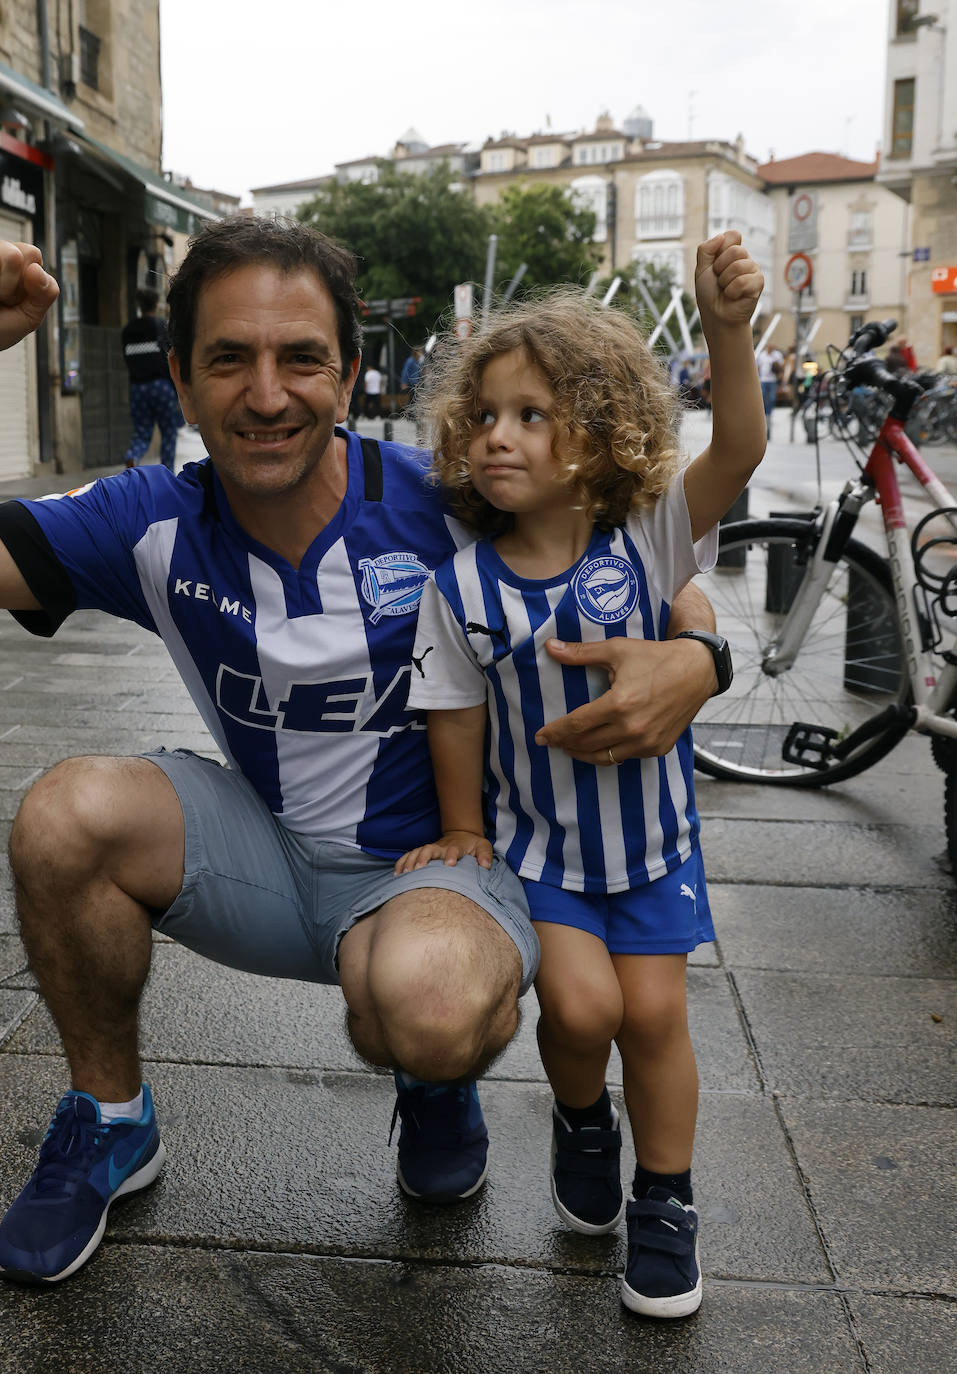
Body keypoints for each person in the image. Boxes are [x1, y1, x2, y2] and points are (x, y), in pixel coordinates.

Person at [0, 218, 722, 1287]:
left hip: (436, 872)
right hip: (267, 856)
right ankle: (111, 1119)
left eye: (302, 358)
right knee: (63, 815)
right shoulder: (151, 517)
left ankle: (433, 1078)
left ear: (348, 375)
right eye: (230, 358)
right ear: (181, 381)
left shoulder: (449, 498)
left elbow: (637, 549)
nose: (267, 394)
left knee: (429, 1006)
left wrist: (699, 655)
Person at [394, 231, 764, 1319]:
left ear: (597, 435)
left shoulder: (645, 542)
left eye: (530, 414)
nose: (496, 436)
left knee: (651, 1018)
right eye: (483, 416)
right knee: (583, 1004)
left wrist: (727, 332)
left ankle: (666, 1197)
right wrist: (464, 831)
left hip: (652, 850)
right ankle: (582, 1118)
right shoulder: (460, 588)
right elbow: (453, 716)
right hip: (543, 856)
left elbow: (739, 448)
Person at [121, 286, 181, 471]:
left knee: (141, 432)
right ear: (156, 304)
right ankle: (167, 472)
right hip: (161, 386)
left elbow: (127, 360)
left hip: (138, 387)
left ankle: (133, 456)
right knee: (169, 433)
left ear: (139, 305)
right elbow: (170, 358)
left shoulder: (128, 330)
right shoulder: (161, 326)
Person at [756, 338, 782, 439]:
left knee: (771, 399)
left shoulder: (777, 355)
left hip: (772, 381)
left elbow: (781, 367)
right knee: (762, 399)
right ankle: (764, 416)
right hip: (763, 380)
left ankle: (769, 414)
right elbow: (758, 367)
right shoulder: (762, 355)